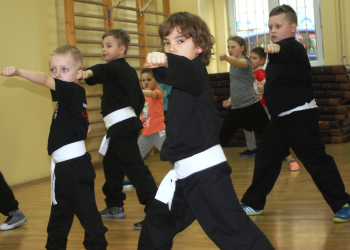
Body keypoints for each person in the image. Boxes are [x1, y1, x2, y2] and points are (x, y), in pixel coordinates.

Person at [137, 12, 274, 249]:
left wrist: (166, 60)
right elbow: (171, 72)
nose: (172, 47)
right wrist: (163, 64)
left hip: (206, 176)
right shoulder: (180, 82)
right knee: (155, 227)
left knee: (236, 234)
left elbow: (180, 68)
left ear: (199, 46)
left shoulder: (195, 71)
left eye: (181, 41)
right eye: (167, 42)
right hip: (182, 177)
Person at [240, 4, 350, 223]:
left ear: (292, 28)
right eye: (270, 26)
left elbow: (289, 51)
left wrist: (278, 49)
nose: (273, 30)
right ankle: (253, 203)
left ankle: (343, 203)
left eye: (278, 26)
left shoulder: (294, 48)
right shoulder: (275, 54)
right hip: (281, 119)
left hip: (300, 117)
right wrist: (266, 86)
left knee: (316, 160)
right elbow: (285, 79)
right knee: (266, 157)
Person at [0, 45, 108, 249]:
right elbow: (86, 129)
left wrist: (18, 72)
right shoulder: (69, 100)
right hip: (65, 168)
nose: (57, 74)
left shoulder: (73, 91)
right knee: (60, 216)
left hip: (74, 168)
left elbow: (44, 79)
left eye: (64, 69)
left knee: (88, 215)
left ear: (78, 74)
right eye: (53, 69)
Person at [81, 29, 157, 230]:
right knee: (112, 168)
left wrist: (88, 72)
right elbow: (139, 100)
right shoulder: (126, 72)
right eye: (103, 45)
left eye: (109, 45)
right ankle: (114, 205)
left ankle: (156, 213)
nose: (104, 49)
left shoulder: (118, 68)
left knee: (135, 170)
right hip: (120, 128)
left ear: (122, 49)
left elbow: (104, 71)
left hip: (122, 128)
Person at [241, 47, 300, 171]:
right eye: (250, 57)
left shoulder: (261, 71)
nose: (251, 60)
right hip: (254, 107)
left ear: (262, 61)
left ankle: (288, 157)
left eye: (254, 58)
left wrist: (263, 83)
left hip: (263, 107)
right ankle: (283, 155)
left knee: (271, 131)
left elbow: (264, 79)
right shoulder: (250, 72)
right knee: (263, 131)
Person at [218, 36, 270, 152]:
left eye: (233, 47)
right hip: (237, 108)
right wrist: (231, 100)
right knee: (222, 137)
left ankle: (288, 157)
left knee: (268, 133)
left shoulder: (245, 61)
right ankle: (211, 162)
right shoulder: (233, 66)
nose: (230, 49)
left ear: (242, 48)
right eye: (228, 47)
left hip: (252, 107)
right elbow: (239, 85)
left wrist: (226, 58)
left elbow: (237, 62)